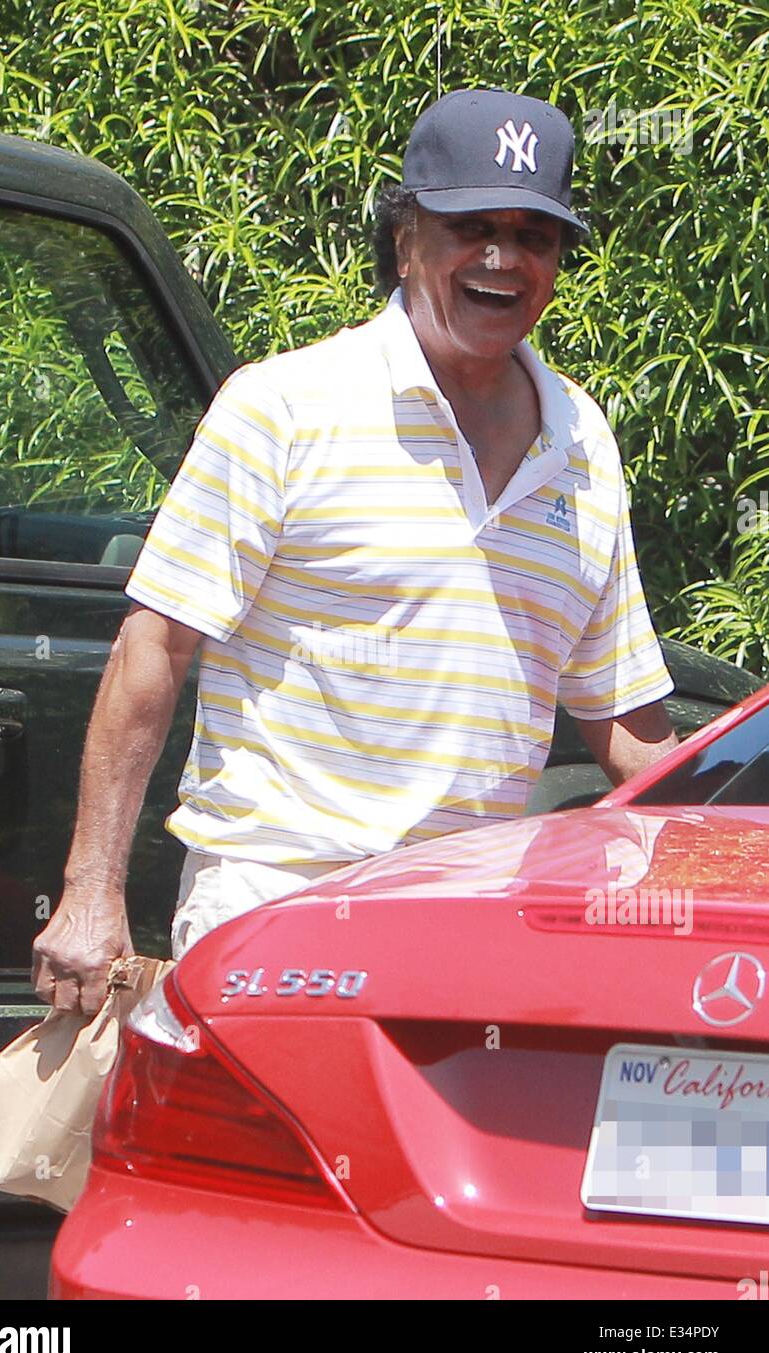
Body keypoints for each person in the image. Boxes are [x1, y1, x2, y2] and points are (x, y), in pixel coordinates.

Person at [33, 87, 678, 1014]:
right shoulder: (286, 407)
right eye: (471, 226)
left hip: (465, 926)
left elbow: (620, 718)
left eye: (534, 235)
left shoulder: (582, 444)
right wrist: (92, 892)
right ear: (408, 237)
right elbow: (156, 647)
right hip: (276, 910)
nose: (502, 258)